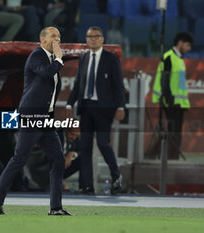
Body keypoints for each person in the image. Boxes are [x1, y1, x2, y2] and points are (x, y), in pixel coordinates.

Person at [0, 27, 72, 215]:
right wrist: (59, 58)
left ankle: (56, 207)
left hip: (45, 119)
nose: (57, 39)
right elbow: (46, 73)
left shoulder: (52, 60)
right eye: (52, 36)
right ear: (42, 39)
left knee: (58, 159)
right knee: (19, 159)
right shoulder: (36, 56)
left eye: (59, 36)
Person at [66, 26, 125, 195]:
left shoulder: (111, 58)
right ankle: (87, 186)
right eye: (89, 37)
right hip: (85, 107)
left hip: (104, 109)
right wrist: (70, 104)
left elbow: (118, 85)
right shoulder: (83, 58)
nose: (92, 39)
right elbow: (78, 84)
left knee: (102, 143)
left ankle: (116, 176)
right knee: (84, 146)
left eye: (95, 36)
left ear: (102, 39)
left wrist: (121, 106)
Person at [152, 32, 193, 160]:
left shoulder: (179, 60)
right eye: (188, 45)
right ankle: (167, 157)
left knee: (174, 131)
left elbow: (179, 85)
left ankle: (168, 156)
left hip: (178, 102)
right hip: (171, 101)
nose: (189, 48)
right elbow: (164, 80)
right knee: (173, 131)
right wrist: (168, 99)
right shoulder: (169, 57)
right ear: (180, 42)